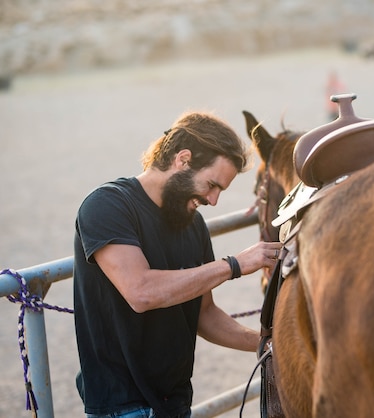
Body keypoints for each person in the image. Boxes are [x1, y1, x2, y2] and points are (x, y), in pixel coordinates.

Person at [73, 111, 282, 418]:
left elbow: (206, 315)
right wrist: (234, 265)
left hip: (176, 403)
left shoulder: (192, 224)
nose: (213, 201)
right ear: (183, 160)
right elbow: (141, 291)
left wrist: (272, 346)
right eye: (212, 185)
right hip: (121, 408)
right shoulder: (107, 205)